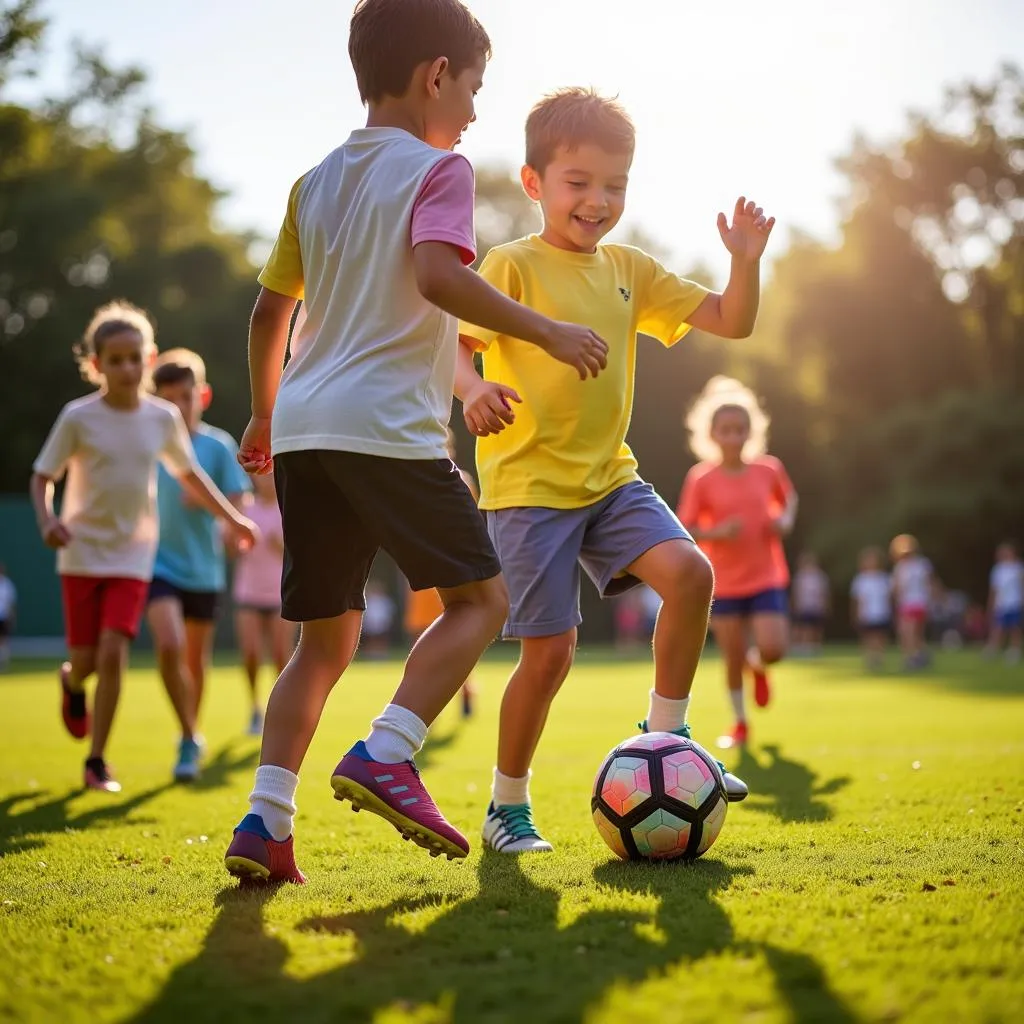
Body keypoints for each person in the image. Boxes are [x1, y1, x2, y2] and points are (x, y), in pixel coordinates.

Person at [223, 0, 609, 886]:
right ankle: (390, 751)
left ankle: (265, 822)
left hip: (308, 434)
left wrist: (263, 412)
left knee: (322, 644)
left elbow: (269, 310)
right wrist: (546, 333)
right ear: (438, 74)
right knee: (482, 602)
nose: (474, 109)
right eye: (473, 87)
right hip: (385, 431)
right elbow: (439, 276)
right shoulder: (443, 169)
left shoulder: (313, 180)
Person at [457, 88, 769, 854]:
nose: (598, 201)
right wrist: (473, 388)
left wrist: (744, 263)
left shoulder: (630, 268)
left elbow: (733, 320)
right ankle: (507, 808)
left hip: (610, 481)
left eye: (615, 186)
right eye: (579, 182)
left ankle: (669, 742)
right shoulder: (509, 265)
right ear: (534, 183)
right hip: (529, 492)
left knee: (692, 576)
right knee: (551, 653)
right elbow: (452, 347)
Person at [30, 302, 257, 793]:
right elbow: (43, 475)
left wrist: (235, 519)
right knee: (88, 661)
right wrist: (48, 519)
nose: (128, 368)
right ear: (96, 366)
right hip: (82, 555)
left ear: (148, 360)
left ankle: (97, 762)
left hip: (136, 558)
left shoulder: (161, 419)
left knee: (115, 653)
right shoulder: (78, 418)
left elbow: (190, 475)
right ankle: (71, 681)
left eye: (136, 358)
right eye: (116, 360)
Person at [146, 349, 252, 782]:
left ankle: (191, 734)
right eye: (167, 398)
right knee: (168, 645)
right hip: (155, 563)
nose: (178, 406)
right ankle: (189, 735)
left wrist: (219, 515)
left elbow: (239, 502)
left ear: (202, 395)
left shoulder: (218, 445)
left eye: (185, 397)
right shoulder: (148, 441)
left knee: (195, 659)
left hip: (204, 570)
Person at [678, 376, 797, 751]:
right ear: (711, 434)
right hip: (723, 582)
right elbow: (685, 527)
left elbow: (789, 499)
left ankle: (759, 665)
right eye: (725, 430)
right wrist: (716, 533)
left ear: (751, 432)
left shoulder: (769, 469)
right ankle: (740, 723)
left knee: (774, 648)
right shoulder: (701, 478)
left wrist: (785, 520)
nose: (732, 437)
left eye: (739, 430)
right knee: (731, 657)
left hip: (766, 576)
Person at [402, 431, 479, 716]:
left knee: (455, 633)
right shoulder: (415, 482)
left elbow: (470, 527)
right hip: (424, 569)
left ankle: (465, 690)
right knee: (420, 635)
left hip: (452, 567)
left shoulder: (462, 481)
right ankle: (418, 702)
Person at [232, 471, 296, 736]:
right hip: (248, 594)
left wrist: (282, 546)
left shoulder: (287, 508)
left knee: (282, 656)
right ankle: (255, 709)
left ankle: (282, 711)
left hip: (281, 595)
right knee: (251, 653)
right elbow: (230, 544)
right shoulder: (244, 508)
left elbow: (303, 551)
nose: (266, 480)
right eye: (261, 476)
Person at [889, 534, 935, 669]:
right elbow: (897, 588)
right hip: (907, 604)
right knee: (909, 633)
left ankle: (912, 658)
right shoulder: (901, 567)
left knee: (910, 632)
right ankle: (917, 656)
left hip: (917, 603)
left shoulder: (921, 564)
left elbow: (929, 583)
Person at [850, 546, 891, 671]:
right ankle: (869, 658)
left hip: (881, 612)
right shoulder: (861, 579)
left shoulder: (884, 578)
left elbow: (889, 596)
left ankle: (879, 657)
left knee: (880, 636)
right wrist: (856, 614)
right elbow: (856, 599)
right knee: (868, 636)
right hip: (866, 613)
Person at [986, 541, 1023, 664]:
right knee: (998, 627)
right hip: (1001, 603)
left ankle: (1014, 651)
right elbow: (994, 589)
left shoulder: (1018, 568)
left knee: (1014, 628)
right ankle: (993, 650)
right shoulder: (998, 569)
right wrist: (991, 604)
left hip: (1014, 602)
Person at [790, 551, 830, 655]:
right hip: (803, 606)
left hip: (816, 606)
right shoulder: (800, 577)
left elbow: (824, 593)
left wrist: (824, 604)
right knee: (804, 626)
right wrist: (795, 604)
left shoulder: (820, 577)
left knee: (816, 627)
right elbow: (796, 592)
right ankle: (803, 646)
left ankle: (816, 646)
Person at [0, 564, 15, 671]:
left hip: (3, 616)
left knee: (3, 640)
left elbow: (10, 602)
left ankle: (3, 662)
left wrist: (11, 616)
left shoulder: (7, 584)